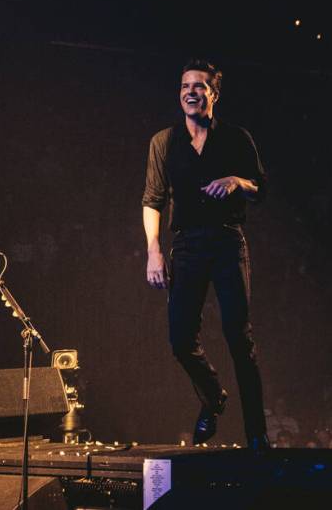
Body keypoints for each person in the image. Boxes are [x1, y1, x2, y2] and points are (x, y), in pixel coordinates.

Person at [143, 58, 270, 453]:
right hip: (187, 245)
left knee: (239, 338)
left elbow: (261, 189)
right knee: (181, 339)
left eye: (199, 86)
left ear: (213, 94)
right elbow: (153, 200)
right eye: (185, 86)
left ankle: (256, 435)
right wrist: (153, 251)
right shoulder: (164, 142)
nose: (190, 92)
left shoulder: (236, 138)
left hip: (228, 242)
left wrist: (237, 181)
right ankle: (214, 397)